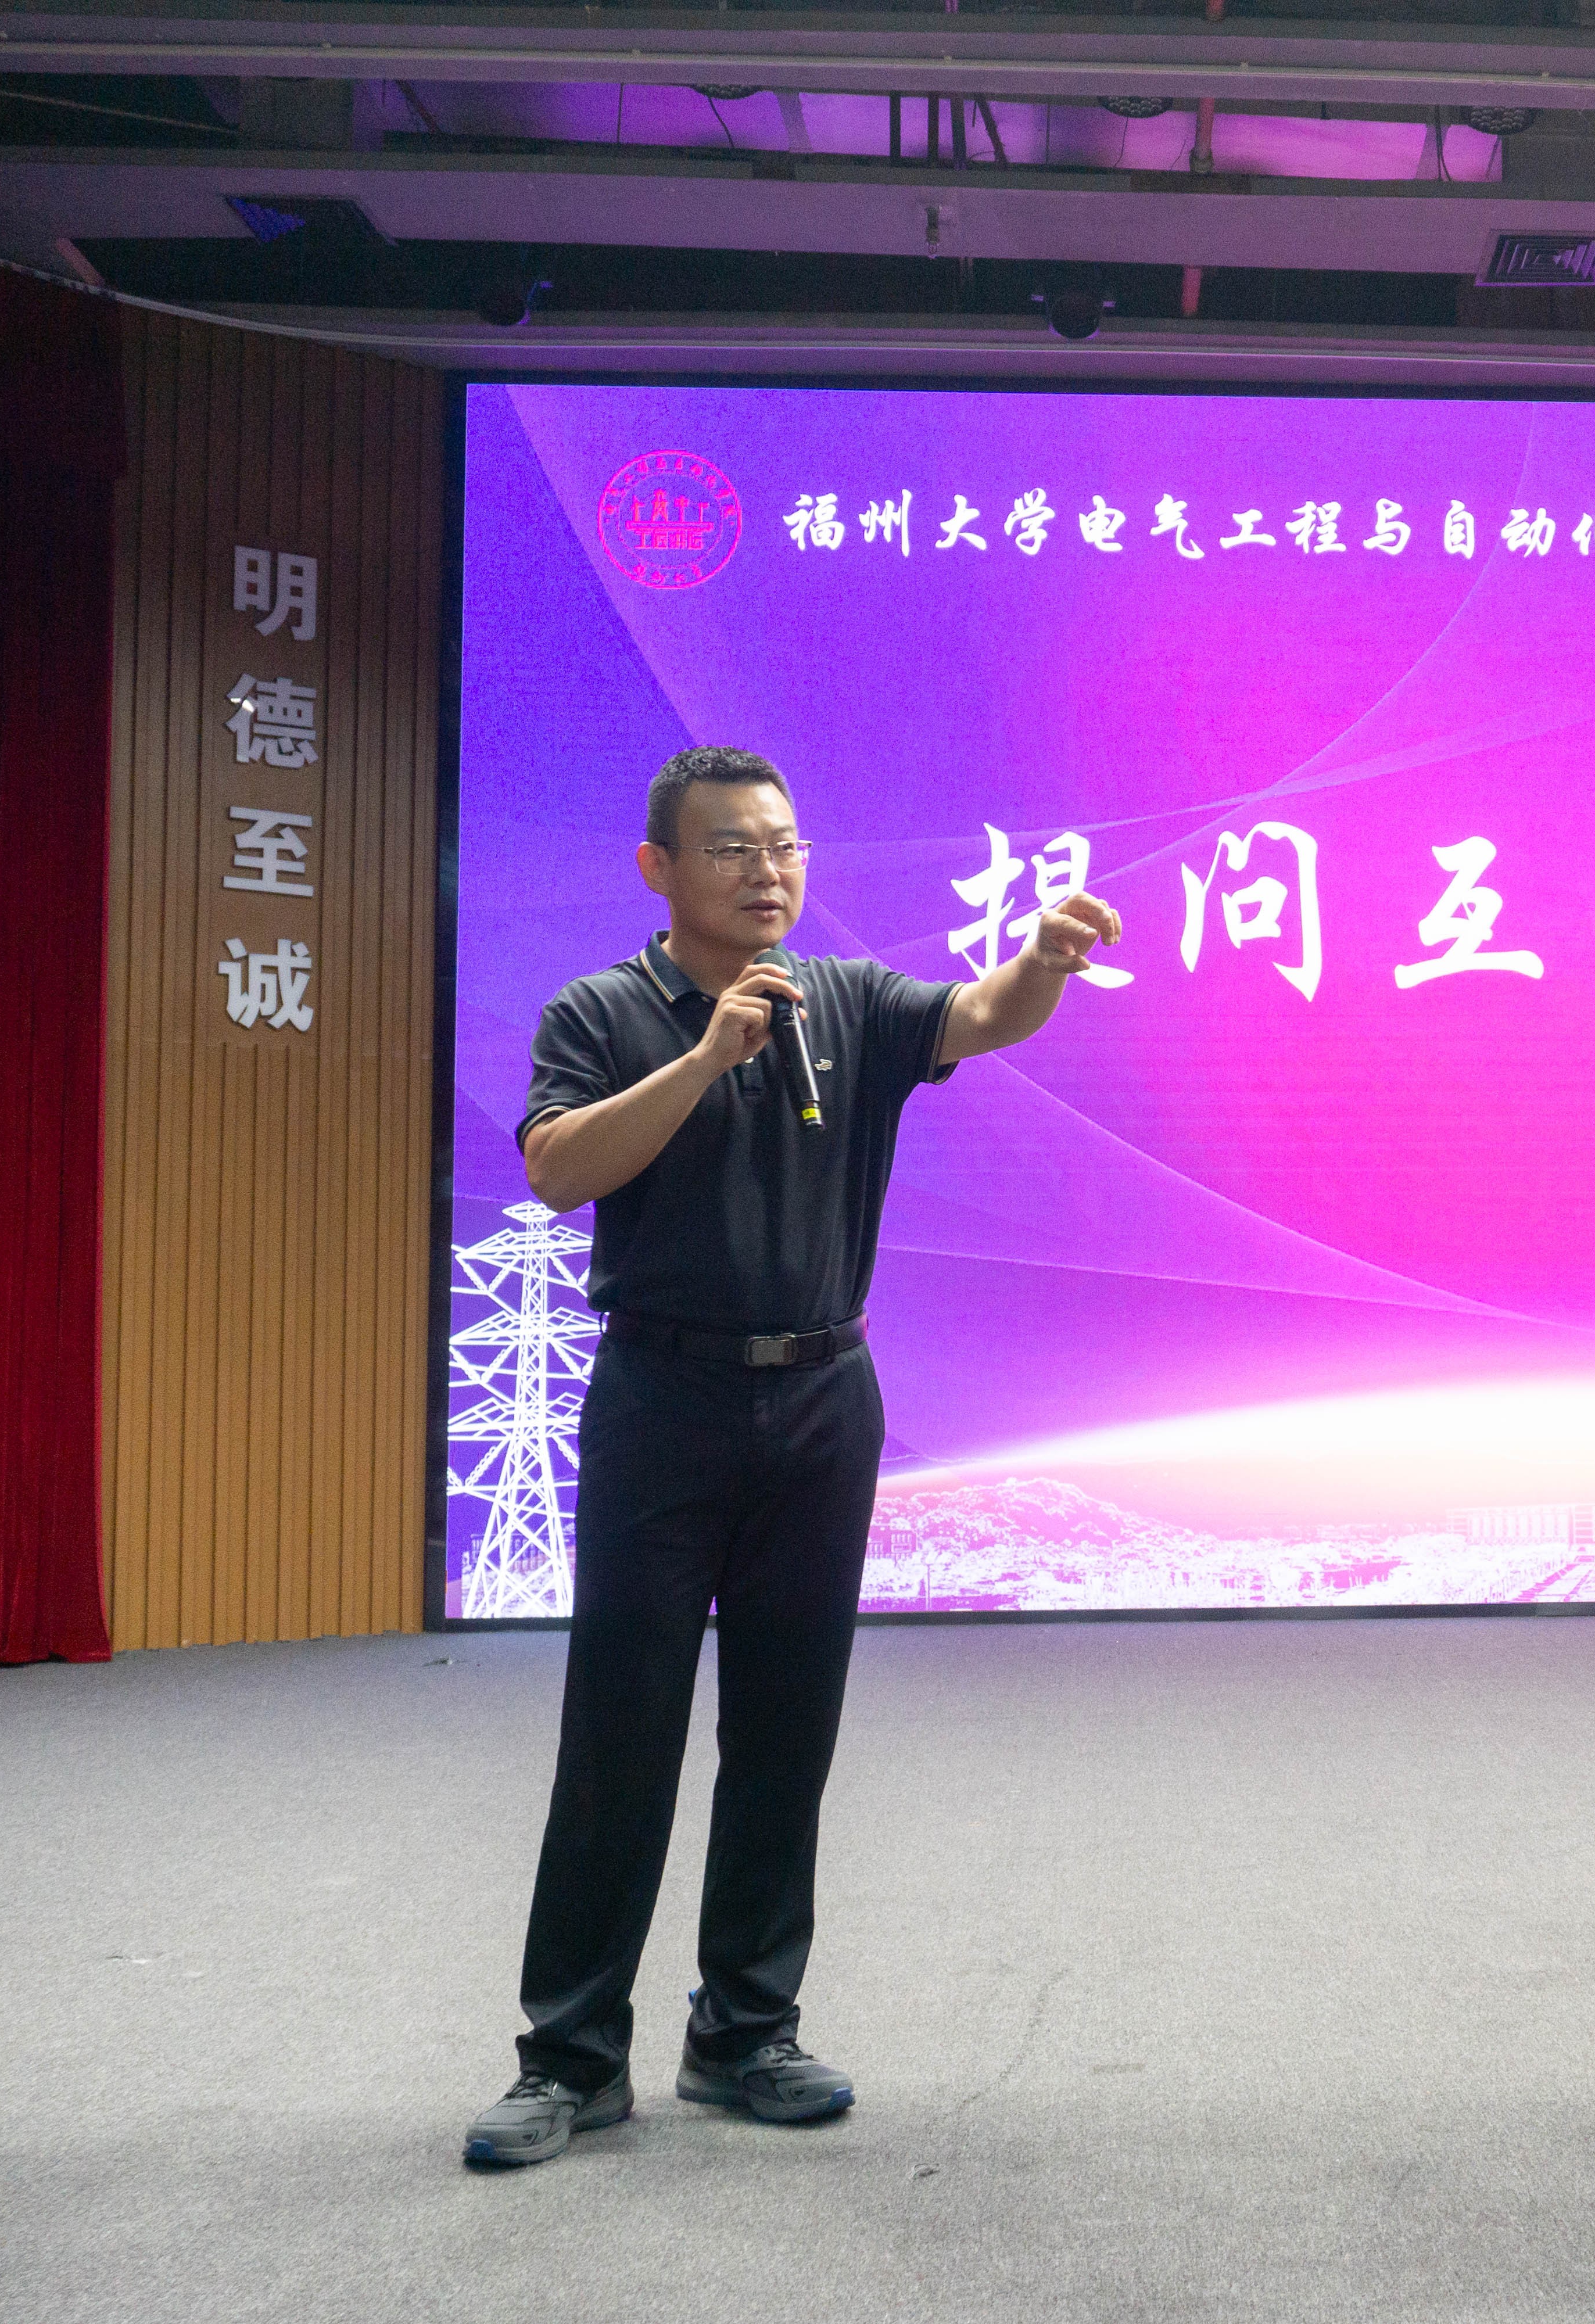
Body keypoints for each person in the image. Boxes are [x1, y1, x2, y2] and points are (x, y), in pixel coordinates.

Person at [464, 744, 1120, 2169]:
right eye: (733, 848)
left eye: (785, 845)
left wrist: (1043, 964)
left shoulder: (850, 1000)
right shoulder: (602, 1011)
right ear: (660, 867)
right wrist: (707, 1057)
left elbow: (983, 1013)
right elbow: (558, 1168)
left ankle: (746, 2030)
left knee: (784, 1734)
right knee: (622, 1734)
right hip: (664, 1397)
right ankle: (569, 2056)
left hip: (824, 1401)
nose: (769, 871)